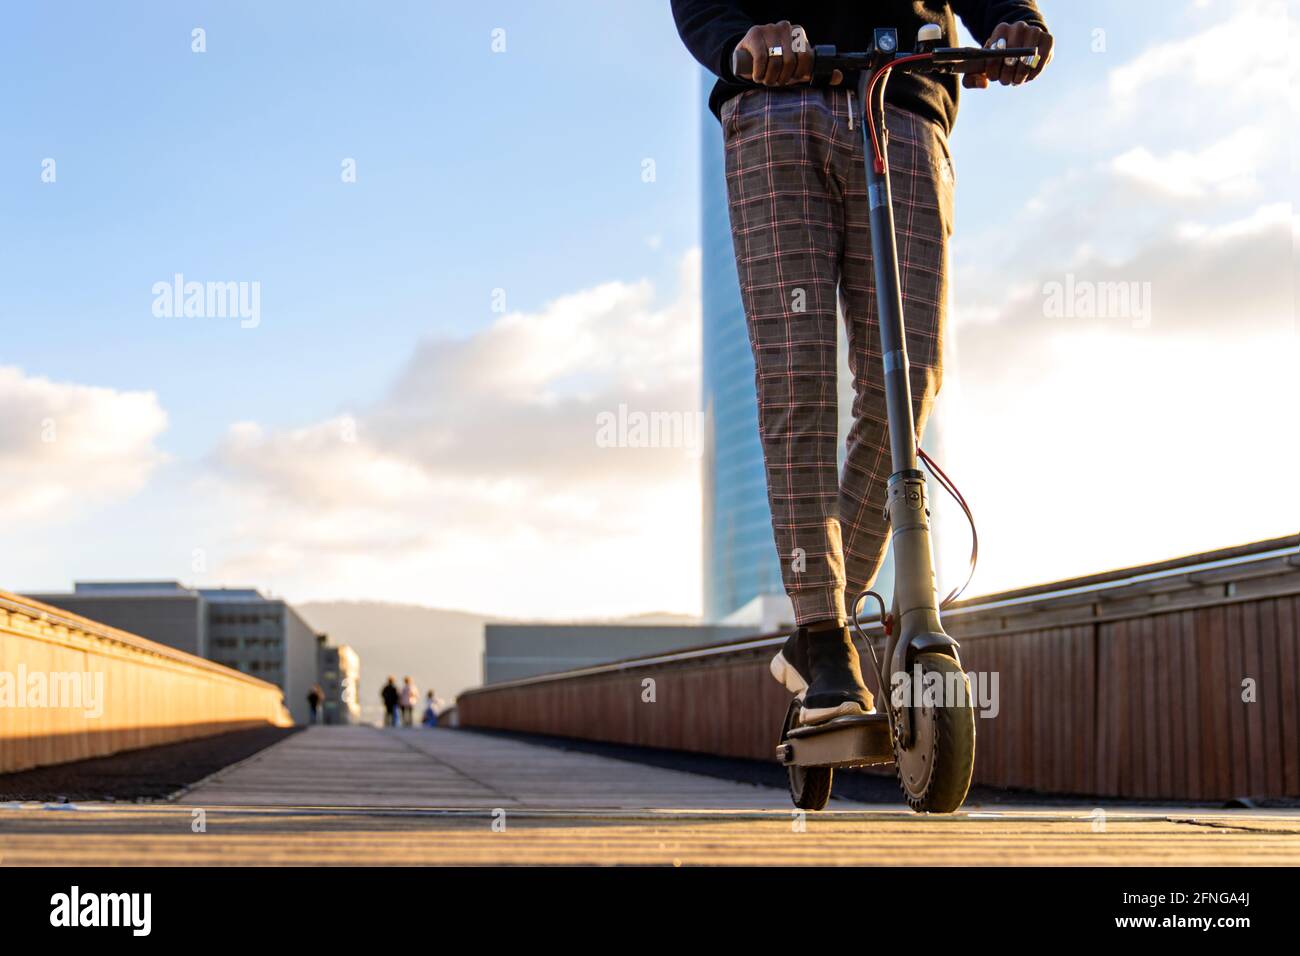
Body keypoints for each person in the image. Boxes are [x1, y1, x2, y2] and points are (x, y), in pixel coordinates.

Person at [671, 3, 1052, 723]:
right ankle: (826, 641)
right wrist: (737, 41)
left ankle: (824, 628)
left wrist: (1011, 18)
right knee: (797, 379)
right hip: (774, 102)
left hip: (904, 97)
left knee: (910, 378)